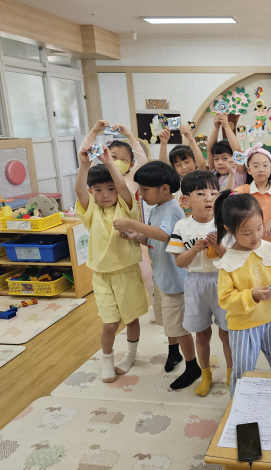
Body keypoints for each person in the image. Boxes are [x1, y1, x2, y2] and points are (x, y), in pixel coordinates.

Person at [112, 161, 200, 390]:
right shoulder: (158, 208)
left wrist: (133, 223)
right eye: (140, 188)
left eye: (145, 189)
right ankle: (174, 354)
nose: (141, 194)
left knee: (178, 327)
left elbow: (163, 235)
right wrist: (136, 235)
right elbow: (153, 240)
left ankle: (193, 366)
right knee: (168, 324)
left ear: (164, 188)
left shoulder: (172, 209)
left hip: (174, 281)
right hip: (161, 278)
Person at [74, 142, 147, 384]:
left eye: (111, 189)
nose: (105, 194)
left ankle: (130, 355)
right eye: (98, 190)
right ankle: (107, 361)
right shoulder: (91, 209)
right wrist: (84, 165)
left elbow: (124, 189)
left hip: (127, 273)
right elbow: (80, 191)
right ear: (92, 192)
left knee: (132, 319)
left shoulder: (127, 208)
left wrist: (108, 163)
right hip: (102, 276)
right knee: (109, 325)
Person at [212, 191, 271, 395]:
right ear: (229, 231)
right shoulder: (228, 263)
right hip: (244, 326)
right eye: (247, 233)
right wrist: (252, 296)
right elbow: (224, 299)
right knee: (243, 371)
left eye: (259, 228)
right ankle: (238, 406)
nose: (256, 236)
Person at [166, 171, 232, 396]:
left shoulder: (225, 224)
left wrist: (220, 246)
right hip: (195, 283)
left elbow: (233, 260)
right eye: (201, 193)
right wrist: (194, 249)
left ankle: (232, 374)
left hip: (222, 281)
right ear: (185, 200)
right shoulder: (182, 227)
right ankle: (205, 375)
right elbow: (179, 262)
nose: (209, 198)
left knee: (227, 333)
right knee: (202, 334)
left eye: (214, 193)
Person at [78, 120, 148, 197]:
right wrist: (95, 131)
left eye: (124, 159)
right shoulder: (97, 175)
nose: (118, 161)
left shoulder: (131, 178)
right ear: (105, 156)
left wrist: (129, 135)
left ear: (131, 165)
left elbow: (142, 160)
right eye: (114, 157)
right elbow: (84, 155)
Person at [159, 125, 207, 216]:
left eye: (187, 162)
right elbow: (163, 167)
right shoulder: (176, 180)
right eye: (178, 165)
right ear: (174, 167)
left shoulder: (199, 177)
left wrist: (191, 139)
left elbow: (202, 165)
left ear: (194, 161)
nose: (184, 167)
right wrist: (163, 142)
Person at [206, 113, 247, 190]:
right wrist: (216, 127)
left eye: (225, 158)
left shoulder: (238, 173)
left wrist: (226, 126)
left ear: (234, 158)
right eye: (216, 159)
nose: (220, 162)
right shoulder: (214, 173)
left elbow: (237, 151)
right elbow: (209, 150)